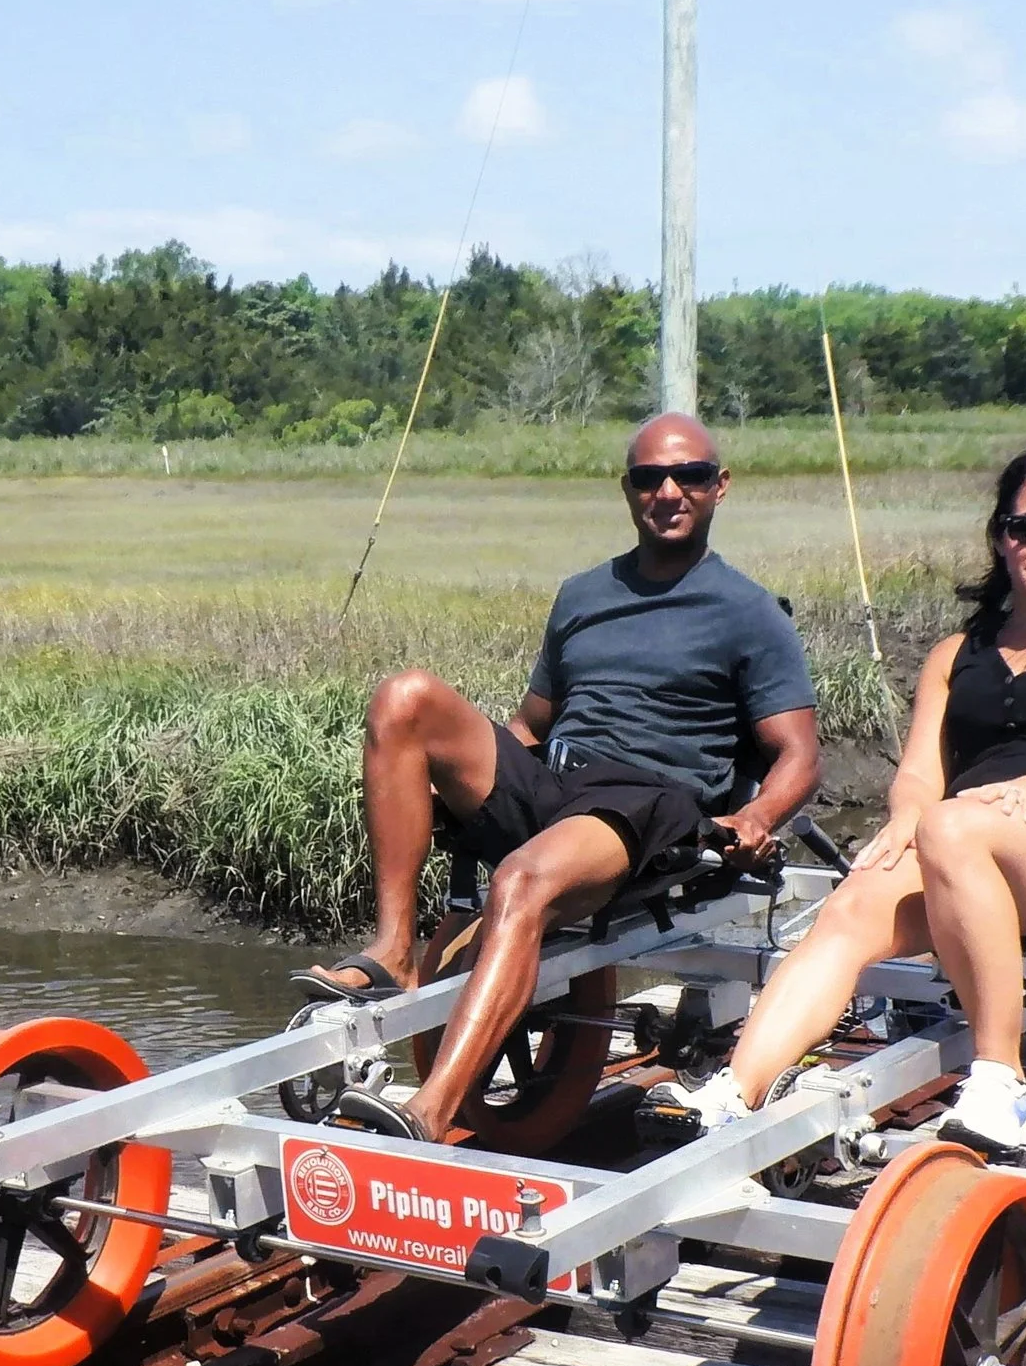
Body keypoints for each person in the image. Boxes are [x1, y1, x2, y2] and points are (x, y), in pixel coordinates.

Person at [644, 443, 1026, 1158]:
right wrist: (904, 820)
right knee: (854, 901)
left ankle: (1001, 1080)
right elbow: (921, 775)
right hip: (965, 844)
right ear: (1000, 534)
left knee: (953, 827)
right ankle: (731, 1093)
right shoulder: (956, 652)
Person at [298, 412, 823, 1144]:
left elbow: (798, 751)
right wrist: (451, 780)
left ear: (718, 487)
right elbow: (529, 726)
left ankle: (429, 1111)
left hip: (646, 801)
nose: (668, 491)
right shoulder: (583, 594)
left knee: (519, 882)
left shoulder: (748, 611)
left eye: (689, 476)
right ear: (628, 490)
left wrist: (758, 817)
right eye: (649, 478)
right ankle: (394, 949)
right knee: (403, 698)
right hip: (558, 786)